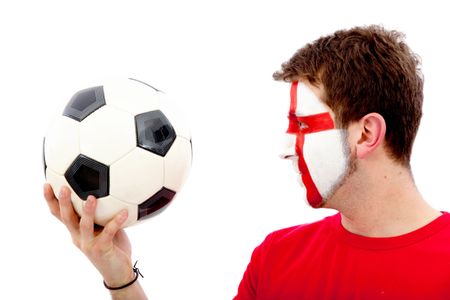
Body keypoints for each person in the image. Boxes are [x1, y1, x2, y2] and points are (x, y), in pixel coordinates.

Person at [43, 25, 450, 299]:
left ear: (366, 134)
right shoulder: (277, 260)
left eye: (303, 125)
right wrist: (119, 276)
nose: (287, 146)